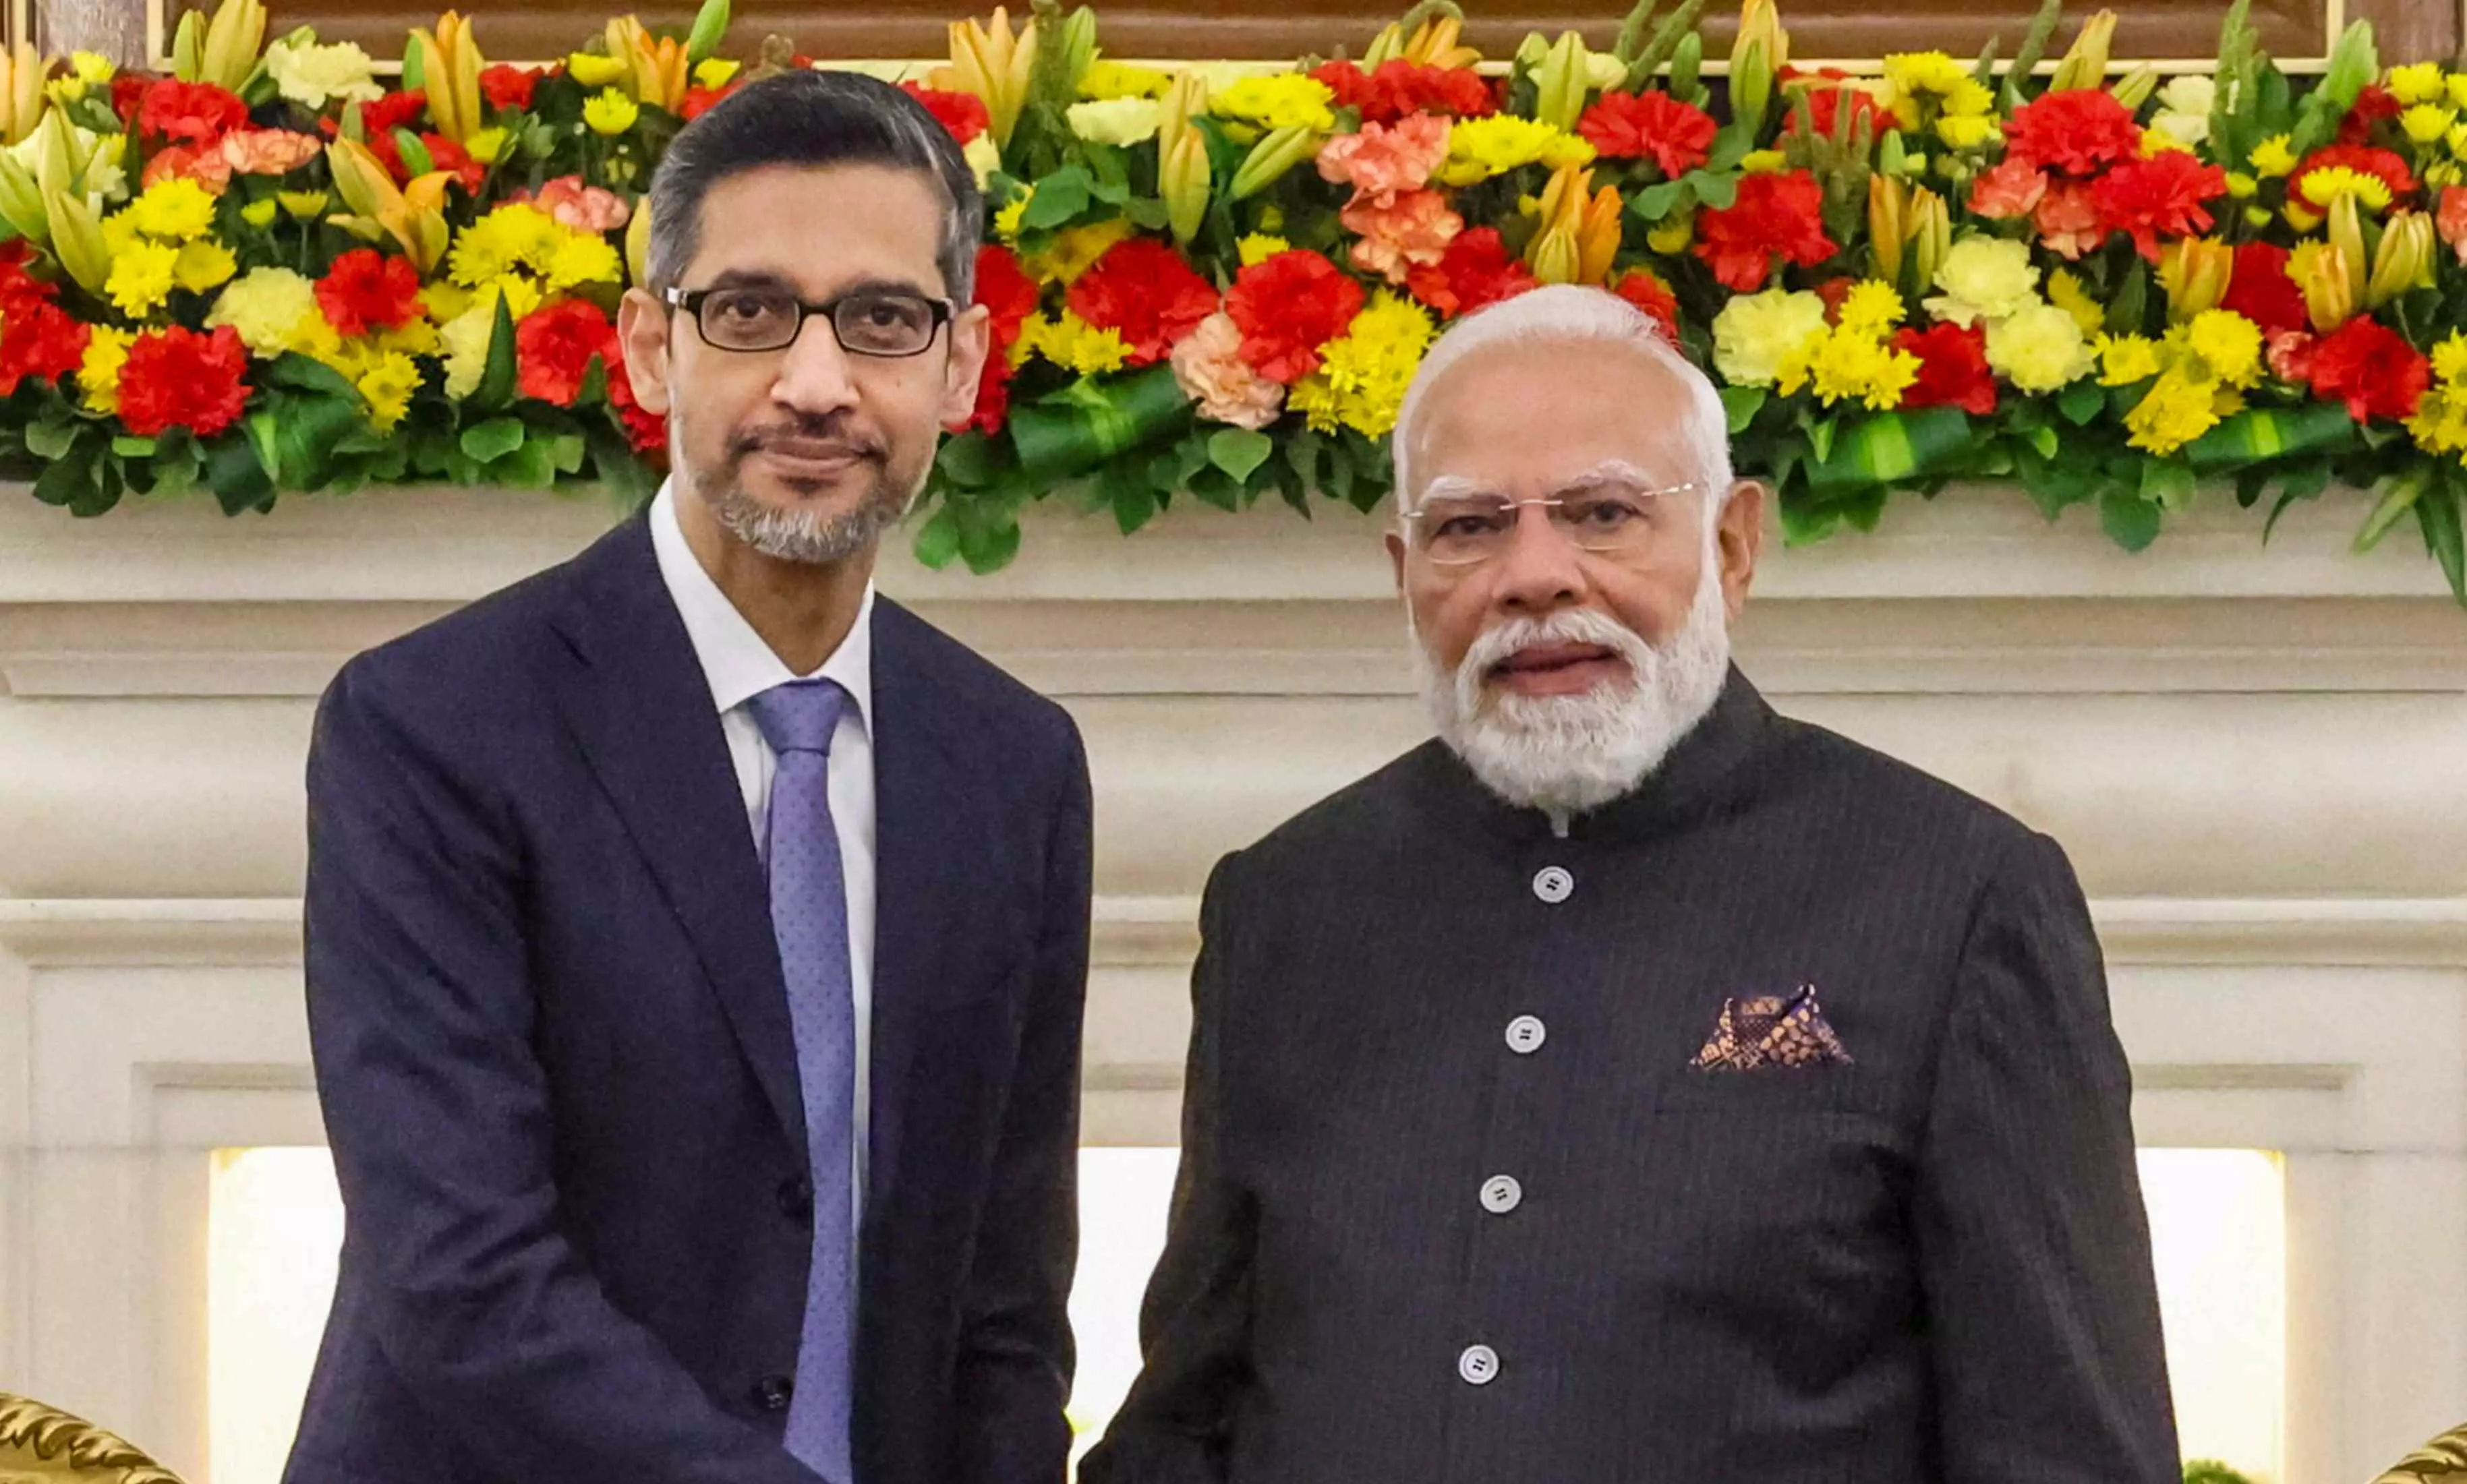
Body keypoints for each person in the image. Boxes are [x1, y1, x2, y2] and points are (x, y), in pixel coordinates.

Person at [1081, 283, 2178, 1483]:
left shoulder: (1958, 897)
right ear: (1403, 569)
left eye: (1604, 513)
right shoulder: (1285, 906)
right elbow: (1187, 1409)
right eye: (1467, 527)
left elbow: (2066, 1448)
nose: (1534, 575)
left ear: (1732, 546)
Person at [287, 71, 1089, 1484]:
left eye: (883, 320)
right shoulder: (431, 725)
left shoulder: (1014, 762)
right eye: (751, 311)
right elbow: (461, 1270)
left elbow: (1002, 1304)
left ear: (959, 368)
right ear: (650, 351)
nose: (816, 381)